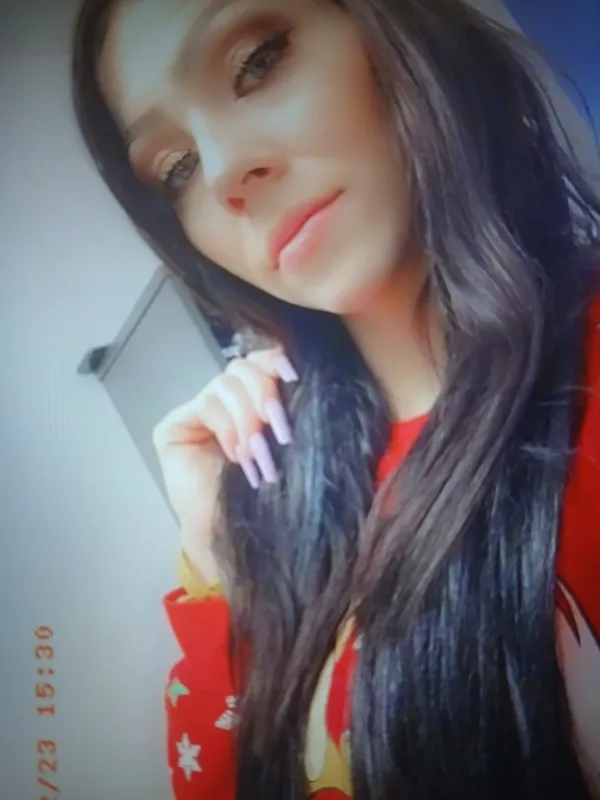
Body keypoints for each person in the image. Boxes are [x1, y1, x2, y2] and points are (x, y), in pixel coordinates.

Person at [71, 0, 600, 797]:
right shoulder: (283, 500)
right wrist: (209, 551)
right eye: (176, 168)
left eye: (257, 61)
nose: (223, 173)